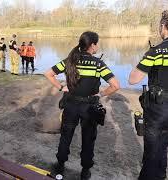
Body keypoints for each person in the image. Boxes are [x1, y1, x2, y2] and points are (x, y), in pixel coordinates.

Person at [44, 31, 120, 179]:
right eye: (97, 43)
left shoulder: (70, 60)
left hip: (70, 104)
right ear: (92, 45)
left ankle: (60, 166)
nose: (98, 46)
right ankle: (85, 171)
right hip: (89, 108)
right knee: (88, 139)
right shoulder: (98, 63)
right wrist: (101, 94)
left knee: (65, 136)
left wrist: (61, 87)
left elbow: (48, 73)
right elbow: (115, 85)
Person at [129, 4, 168, 180]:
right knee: (163, 146)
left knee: (151, 154)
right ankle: (161, 176)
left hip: (159, 111)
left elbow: (133, 79)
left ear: (163, 27)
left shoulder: (156, 51)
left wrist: (146, 61)